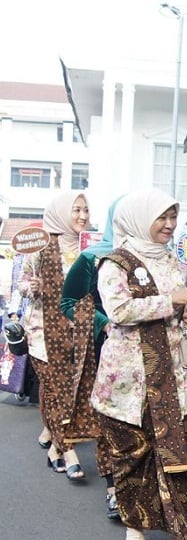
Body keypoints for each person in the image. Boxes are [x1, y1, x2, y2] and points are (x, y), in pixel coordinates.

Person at [91, 188, 187, 540]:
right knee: (133, 456)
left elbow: (181, 307)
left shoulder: (175, 261)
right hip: (128, 382)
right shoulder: (115, 263)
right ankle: (135, 526)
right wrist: (171, 301)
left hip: (170, 376)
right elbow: (119, 310)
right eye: (162, 217)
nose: (170, 225)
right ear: (140, 218)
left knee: (176, 457)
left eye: (173, 216)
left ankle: (184, 539)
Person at [18, 190, 101, 482]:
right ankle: (69, 451)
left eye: (85, 210)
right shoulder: (41, 247)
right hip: (43, 333)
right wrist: (33, 286)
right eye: (76, 210)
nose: (82, 216)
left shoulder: (90, 249)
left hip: (79, 333)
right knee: (54, 390)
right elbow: (23, 282)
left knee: (74, 393)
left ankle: (54, 447)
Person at [61, 195, 124, 517]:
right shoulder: (92, 257)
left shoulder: (161, 258)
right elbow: (68, 302)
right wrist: (104, 325)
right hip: (109, 350)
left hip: (152, 353)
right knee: (110, 417)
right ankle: (114, 487)